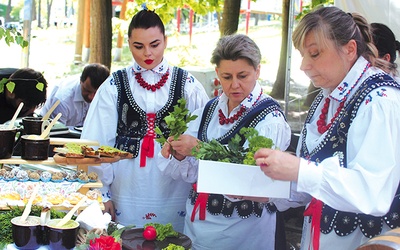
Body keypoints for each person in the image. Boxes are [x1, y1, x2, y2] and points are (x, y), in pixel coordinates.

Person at [254, 6, 400, 250]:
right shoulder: (326, 97)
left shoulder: (380, 102)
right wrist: (267, 191)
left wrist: (300, 169)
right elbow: (309, 185)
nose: (303, 66)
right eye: (302, 54)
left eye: (315, 53)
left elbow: (372, 193)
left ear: (350, 49)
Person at [80, 9, 209, 232]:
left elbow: (203, 139)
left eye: (154, 44)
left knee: (171, 240)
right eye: (138, 46)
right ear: (129, 42)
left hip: (173, 187)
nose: (147, 53)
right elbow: (96, 142)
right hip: (127, 187)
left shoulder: (188, 84)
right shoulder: (114, 86)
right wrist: (101, 193)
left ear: (165, 41)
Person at [160, 34, 293, 250]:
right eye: (227, 76)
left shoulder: (270, 119)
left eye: (243, 75)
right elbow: (189, 172)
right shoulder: (209, 109)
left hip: (244, 232)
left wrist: (200, 150)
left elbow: (253, 180)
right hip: (198, 228)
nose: (234, 85)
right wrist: (179, 153)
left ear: (257, 71)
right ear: (217, 74)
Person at [40, 63, 110, 127]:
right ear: (80, 81)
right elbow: (58, 131)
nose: (91, 97)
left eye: (96, 93)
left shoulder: (107, 94)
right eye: (87, 91)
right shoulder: (63, 99)